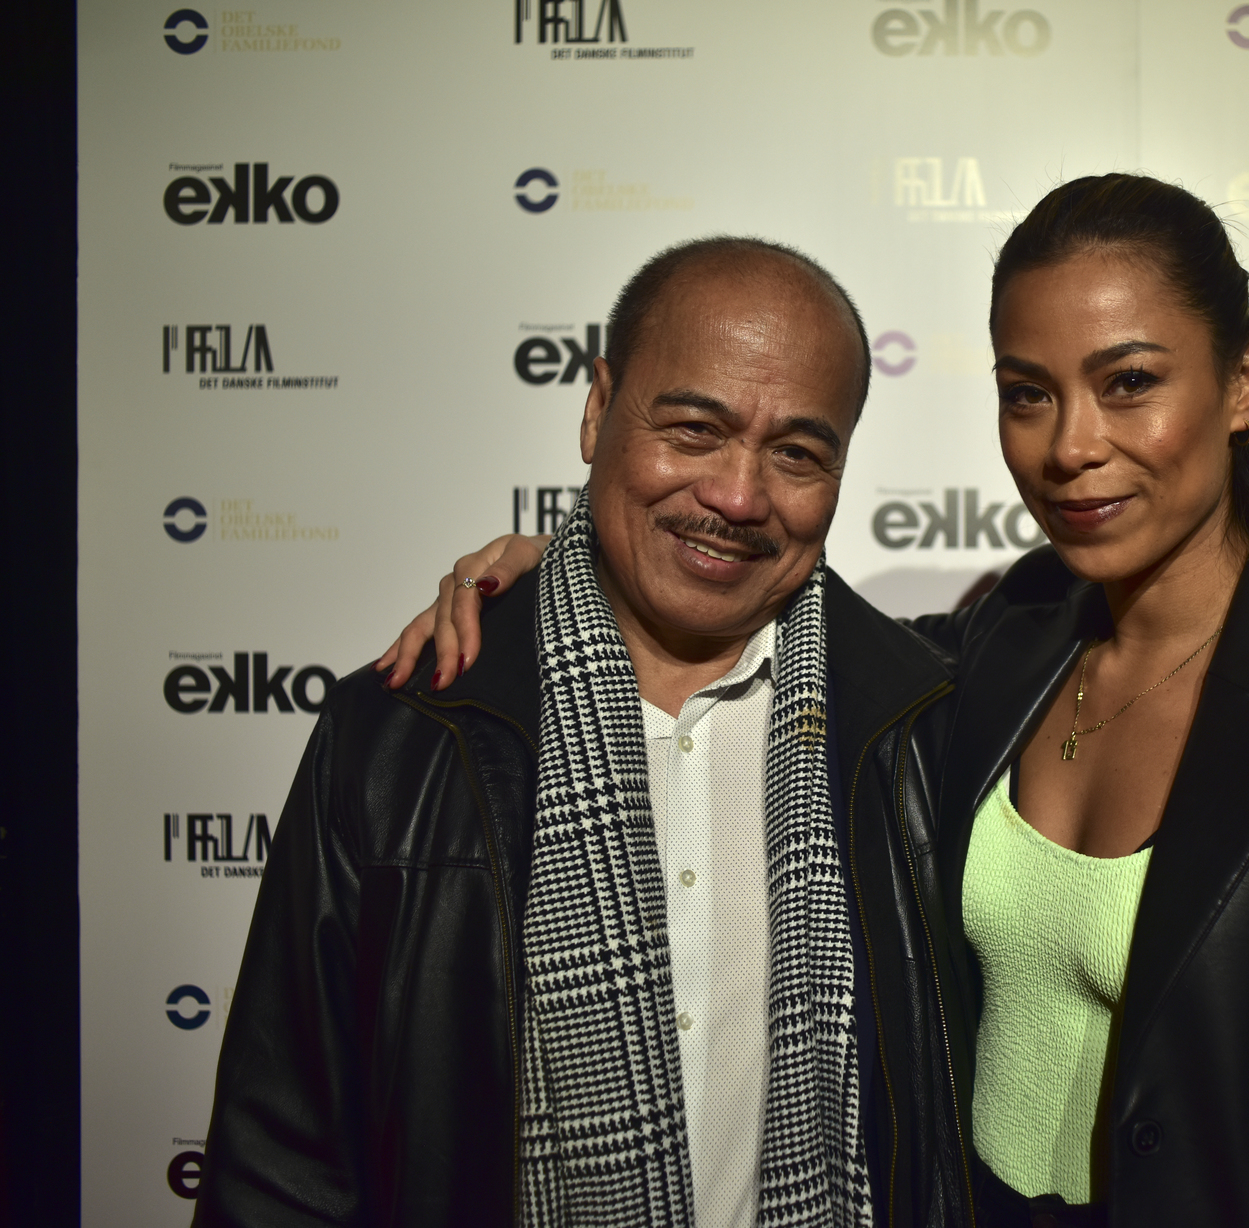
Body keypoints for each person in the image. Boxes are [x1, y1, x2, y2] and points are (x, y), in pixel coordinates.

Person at [391, 175, 1249, 1226]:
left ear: (1243, 380)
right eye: (1028, 394)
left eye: (1129, 384)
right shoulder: (998, 644)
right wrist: (567, 572)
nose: (1071, 446)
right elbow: (759, 583)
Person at [196, 238, 978, 1228]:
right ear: (597, 408)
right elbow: (285, 1161)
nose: (738, 497)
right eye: (694, 430)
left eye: (795, 454)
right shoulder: (401, 735)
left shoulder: (925, 733)